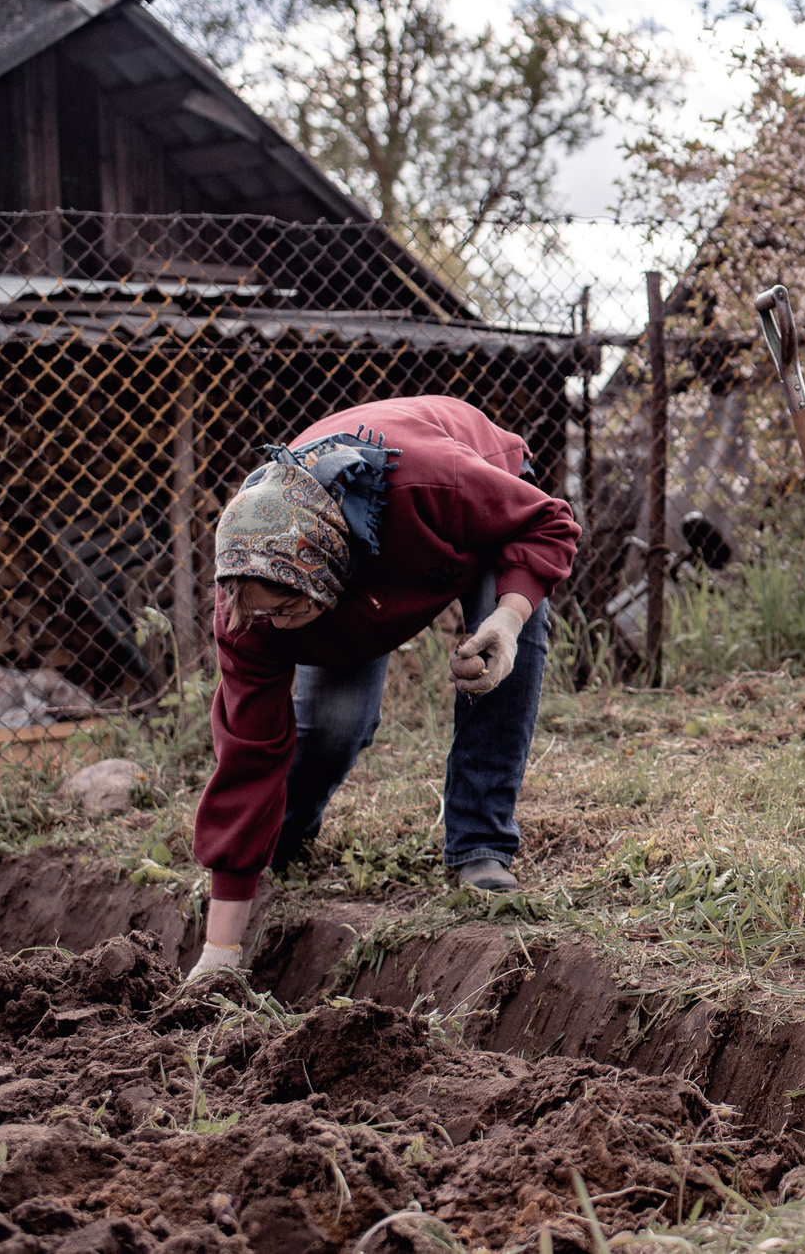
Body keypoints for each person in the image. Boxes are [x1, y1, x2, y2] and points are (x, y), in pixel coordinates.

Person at [187, 394, 580, 977]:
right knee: (337, 723)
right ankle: (282, 840)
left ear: (327, 574)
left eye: (287, 611)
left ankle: (480, 846)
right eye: (265, 615)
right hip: (353, 575)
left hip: (460, 510)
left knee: (499, 658)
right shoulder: (250, 613)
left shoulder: (433, 485)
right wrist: (220, 954)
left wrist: (507, 618)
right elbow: (248, 754)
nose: (276, 626)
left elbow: (548, 521)